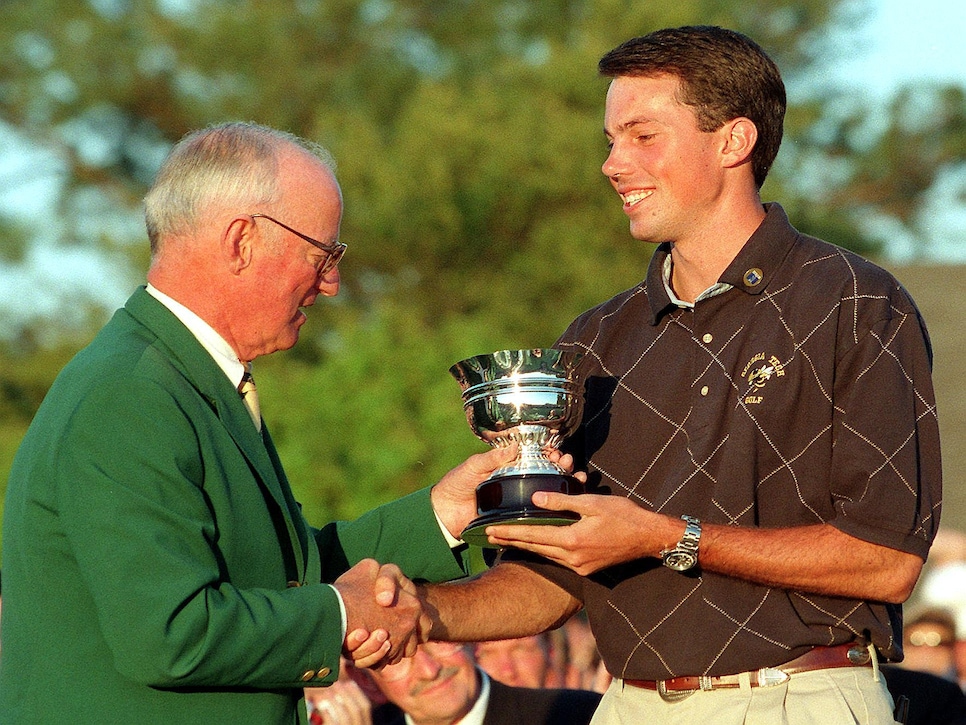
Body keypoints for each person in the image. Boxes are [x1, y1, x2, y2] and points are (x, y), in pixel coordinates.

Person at [414, 25, 943, 724]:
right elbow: (555, 582)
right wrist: (412, 612)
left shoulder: (854, 301)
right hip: (629, 703)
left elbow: (886, 559)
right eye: (609, 140)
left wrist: (667, 537)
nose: (612, 163)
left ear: (733, 142)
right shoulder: (597, 338)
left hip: (800, 698)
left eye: (641, 136)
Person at [0, 122, 531, 724]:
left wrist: (445, 512)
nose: (330, 284)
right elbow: (171, 633)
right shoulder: (131, 394)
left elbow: (282, 573)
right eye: (321, 254)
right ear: (241, 240)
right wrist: (342, 614)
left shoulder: (185, 380)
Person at [361, 641, 601, 725]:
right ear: (365, 680)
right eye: (396, 657)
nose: (429, 670)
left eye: (435, 639)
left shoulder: (582, 716)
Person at [900, 607, 960, 681]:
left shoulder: (959, 690)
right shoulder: (885, 689)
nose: (926, 650)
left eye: (939, 643)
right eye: (915, 641)